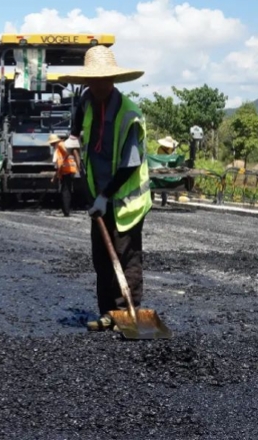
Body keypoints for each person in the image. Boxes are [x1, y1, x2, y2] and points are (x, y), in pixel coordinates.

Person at [58, 45, 153, 332]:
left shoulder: (130, 117)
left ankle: (128, 311)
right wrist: (73, 135)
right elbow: (79, 110)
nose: (97, 86)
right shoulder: (88, 100)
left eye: (102, 80)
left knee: (126, 257)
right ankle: (108, 313)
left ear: (112, 80)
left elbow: (129, 165)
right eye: (92, 80)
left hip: (125, 200)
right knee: (101, 258)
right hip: (98, 196)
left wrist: (105, 195)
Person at [47, 133, 78, 217]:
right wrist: (55, 176)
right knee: (65, 191)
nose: (51, 145)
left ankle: (66, 212)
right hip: (65, 171)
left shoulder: (61, 144)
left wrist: (65, 158)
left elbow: (68, 152)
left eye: (52, 143)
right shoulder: (59, 147)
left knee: (65, 191)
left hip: (68, 170)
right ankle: (65, 210)